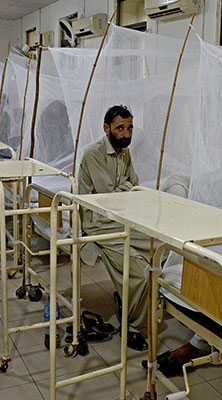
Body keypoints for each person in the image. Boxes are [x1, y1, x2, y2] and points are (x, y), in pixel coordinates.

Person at [78, 105, 149, 351]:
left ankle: (130, 298)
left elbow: (135, 185)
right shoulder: (94, 154)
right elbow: (108, 195)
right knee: (139, 270)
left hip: (121, 217)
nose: (126, 133)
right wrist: (122, 190)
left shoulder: (123, 153)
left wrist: (122, 190)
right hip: (98, 222)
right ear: (106, 128)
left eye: (129, 128)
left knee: (159, 246)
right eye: (120, 128)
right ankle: (131, 324)